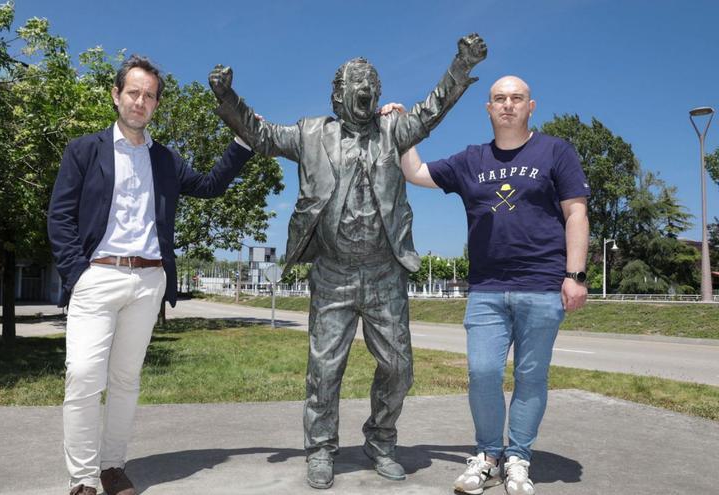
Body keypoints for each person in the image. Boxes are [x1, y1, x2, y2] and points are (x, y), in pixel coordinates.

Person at [209, 34, 486, 489]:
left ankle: (380, 441)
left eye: (371, 83)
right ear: (338, 95)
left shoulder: (394, 130)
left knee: (399, 367)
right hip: (333, 275)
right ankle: (320, 449)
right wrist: (227, 97)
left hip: (384, 273)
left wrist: (461, 64)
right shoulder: (310, 134)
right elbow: (261, 135)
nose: (366, 88)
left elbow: (434, 107)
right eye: (357, 83)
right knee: (324, 369)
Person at [48, 55, 254, 495]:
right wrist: (76, 274)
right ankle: (82, 479)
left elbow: (210, 185)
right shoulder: (84, 150)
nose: (141, 102)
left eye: (149, 96)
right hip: (97, 277)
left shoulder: (164, 160)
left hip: (148, 282)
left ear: (156, 104)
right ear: (116, 95)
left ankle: (112, 467)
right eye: (134, 93)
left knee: (126, 380)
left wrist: (242, 141)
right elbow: (60, 217)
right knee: (84, 375)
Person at [386, 75, 589, 495]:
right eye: (500, 98)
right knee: (482, 373)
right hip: (486, 288)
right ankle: (488, 455)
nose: (508, 104)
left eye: (517, 98)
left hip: (541, 284)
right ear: (489, 108)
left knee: (531, 377)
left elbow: (576, 213)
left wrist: (575, 276)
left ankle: (519, 457)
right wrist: (402, 128)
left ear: (531, 106)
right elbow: (417, 172)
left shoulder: (556, 151)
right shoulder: (471, 159)